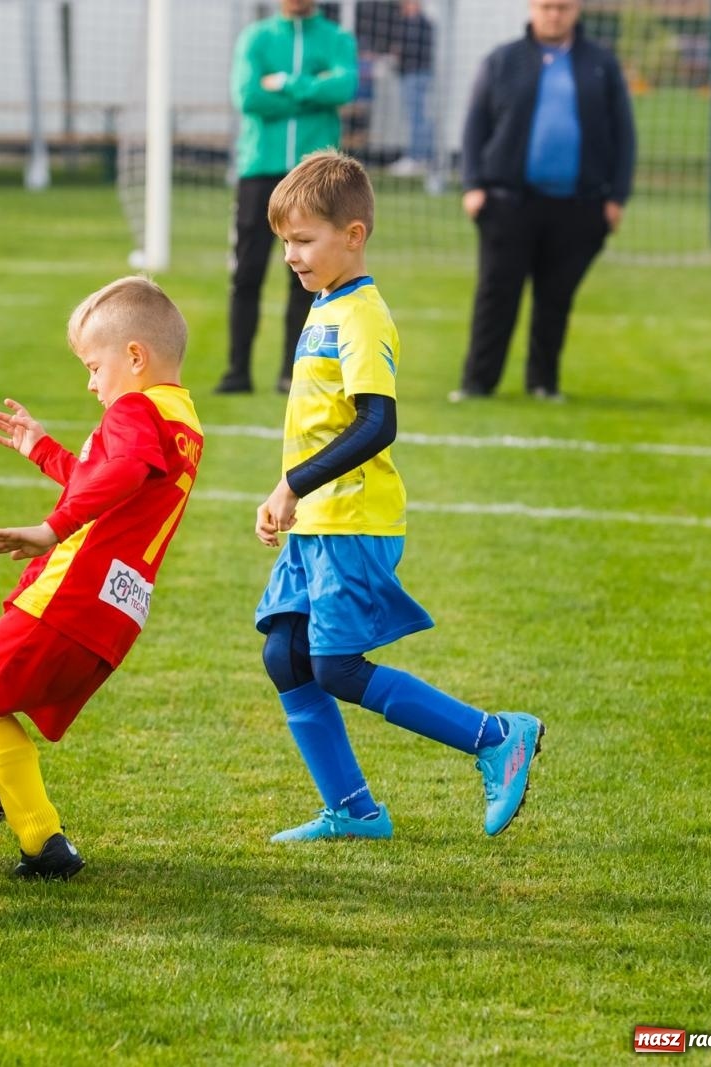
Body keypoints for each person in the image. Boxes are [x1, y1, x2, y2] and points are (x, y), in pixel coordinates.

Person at [0, 276, 203, 899]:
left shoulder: (134, 409)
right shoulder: (182, 420)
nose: (90, 383)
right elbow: (113, 479)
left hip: (68, 598)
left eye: (93, 365)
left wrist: (52, 528)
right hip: (114, 612)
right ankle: (43, 842)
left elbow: (124, 470)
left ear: (135, 357)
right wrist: (44, 449)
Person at [253, 149, 544, 842]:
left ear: (353, 235)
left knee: (337, 666)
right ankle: (353, 810)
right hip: (316, 523)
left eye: (304, 239)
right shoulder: (325, 303)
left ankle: (496, 735)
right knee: (286, 657)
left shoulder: (361, 316)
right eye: (285, 241)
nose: (291, 255)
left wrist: (291, 484)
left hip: (353, 519)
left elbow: (378, 423)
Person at [451, 0, 635, 403]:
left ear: (577, 10)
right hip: (507, 202)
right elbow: (475, 124)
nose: (554, 14)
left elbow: (624, 133)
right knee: (497, 294)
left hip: (579, 205)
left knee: (555, 298)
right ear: (533, 8)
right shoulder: (503, 61)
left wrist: (617, 196)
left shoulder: (600, 64)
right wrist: (473, 186)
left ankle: (543, 383)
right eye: (547, 6)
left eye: (563, 7)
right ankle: (478, 383)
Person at [217, 0, 357, 397]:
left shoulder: (336, 38)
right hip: (259, 170)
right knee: (247, 272)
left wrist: (286, 82)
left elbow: (344, 87)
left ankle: (293, 372)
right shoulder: (257, 38)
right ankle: (237, 370)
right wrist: (315, 87)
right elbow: (248, 97)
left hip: (314, 175)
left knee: (309, 275)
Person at [386, 0, 434, 176]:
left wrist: (398, 53)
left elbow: (412, 50)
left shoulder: (419, 24)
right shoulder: (410, 23)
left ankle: (418, 157)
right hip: (411, 74)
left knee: (417, 117)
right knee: (416, 117)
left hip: (416, 74)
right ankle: (421, 156)